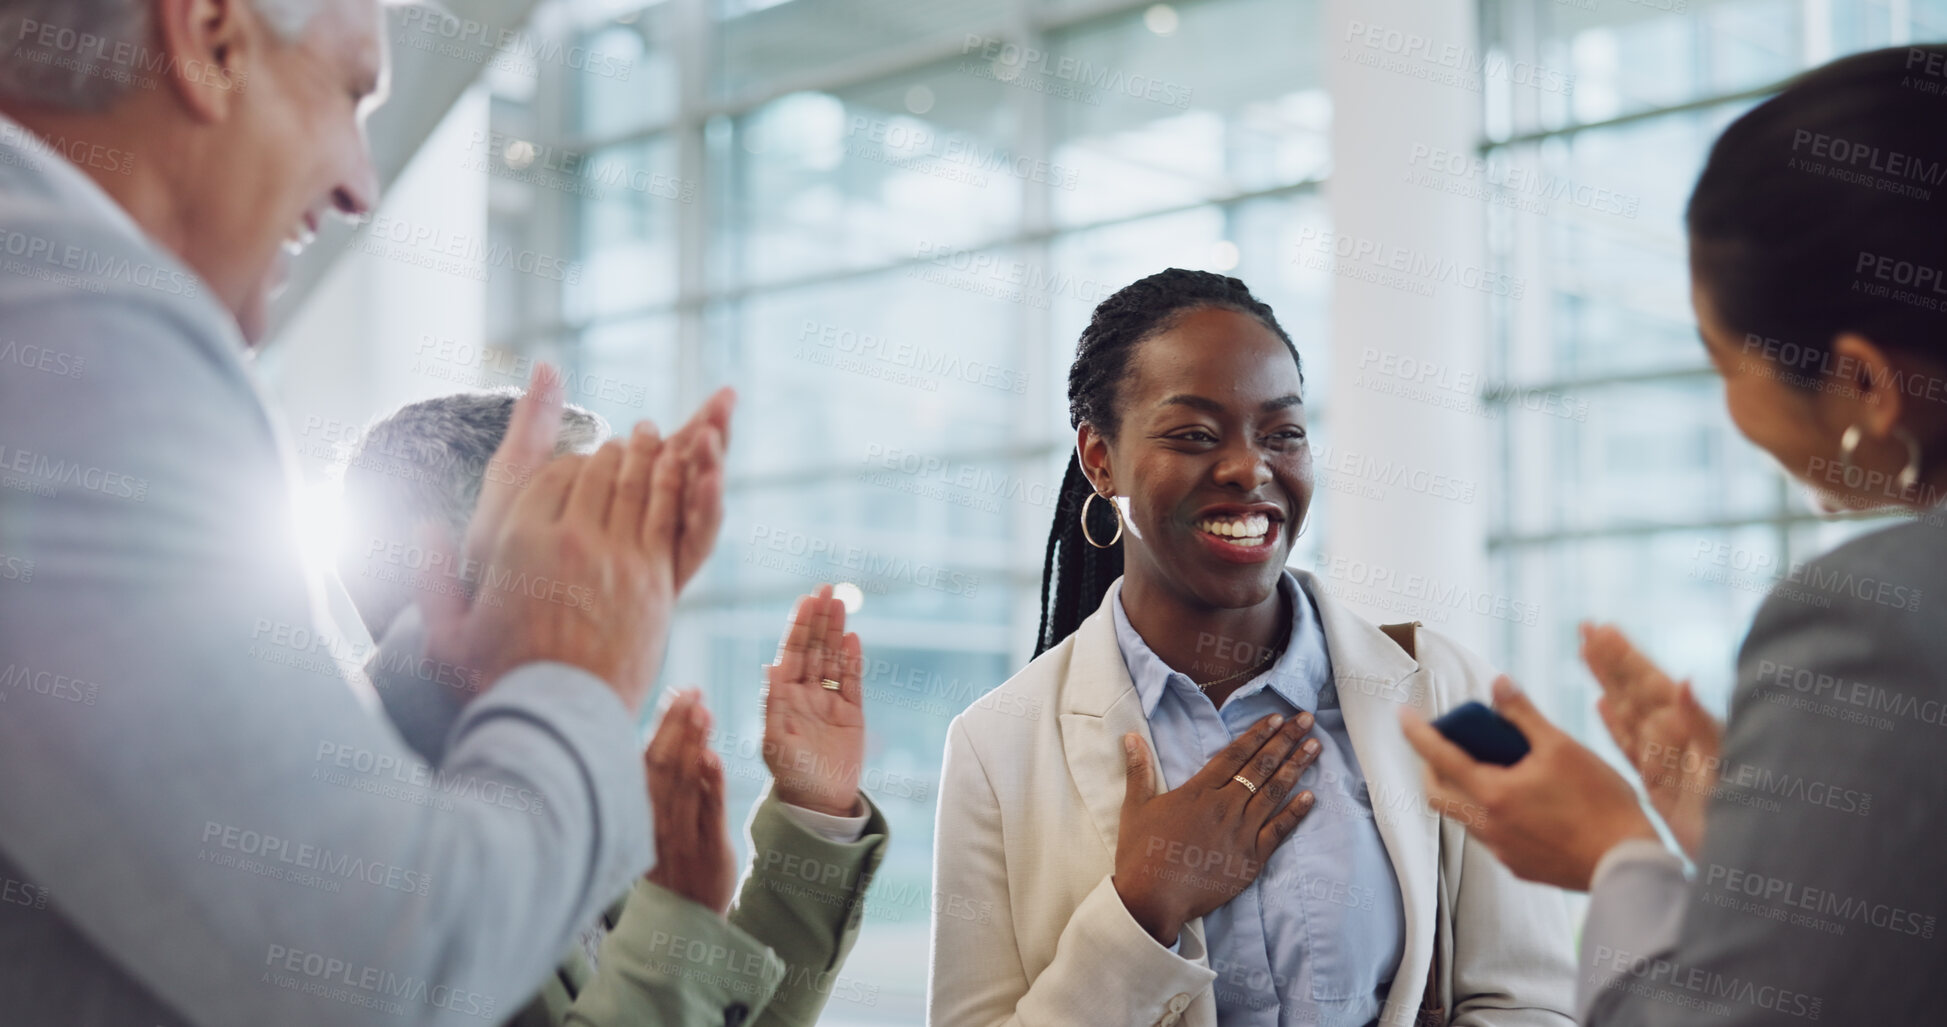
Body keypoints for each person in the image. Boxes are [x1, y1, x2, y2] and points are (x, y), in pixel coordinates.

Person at [0, 2, 724, 1024]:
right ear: (208, 40)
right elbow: (389, 970)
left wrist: (455, 664)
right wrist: (579, 671)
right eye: (349, 92)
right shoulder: (70, 324)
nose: (358, 183)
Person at [1398, 44, 1947, 1027]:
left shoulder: (1874, 618)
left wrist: (1619, 854)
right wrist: (1761, 844)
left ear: (1863, 383)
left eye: (1719, 356)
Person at [929, 269, 1576, 1027]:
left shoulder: (1443, 690)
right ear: (1099, 458)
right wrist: (1142, 905)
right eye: (1194, 435)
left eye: (1282, 433)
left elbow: (1534, 1003)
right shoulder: (996, 745)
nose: (1249, 467)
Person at [339, 390, 890, 1027]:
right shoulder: (366, 856)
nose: (636, 580)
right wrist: (679, 922)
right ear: (457, 570)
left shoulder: (567, 784)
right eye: (587, 541)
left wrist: (813, 809)